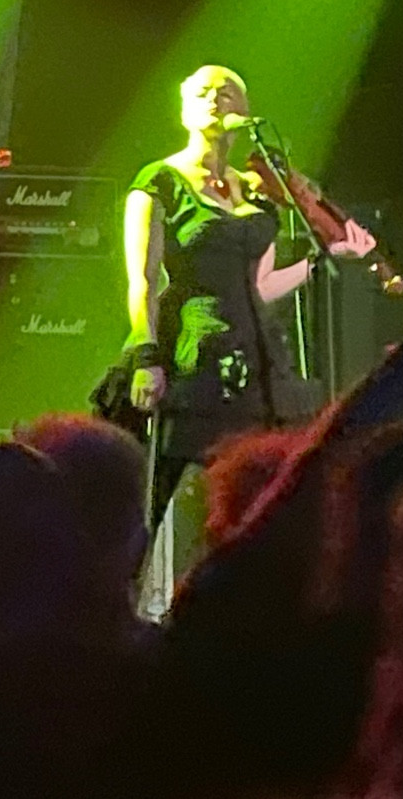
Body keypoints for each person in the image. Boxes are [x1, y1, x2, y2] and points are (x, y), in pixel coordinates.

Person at [114, 65, 376, 524]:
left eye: (228, 91)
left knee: (255, 496)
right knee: (152, 499)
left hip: (256, 353)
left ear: (246, 110)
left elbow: (264, 284)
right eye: (203, 91)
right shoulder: (160, 181)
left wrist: (320, 259)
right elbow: (143, 279)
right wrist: (145, 356)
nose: (216, 98)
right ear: (183, 108)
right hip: (190, 351)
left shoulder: (256, 190)